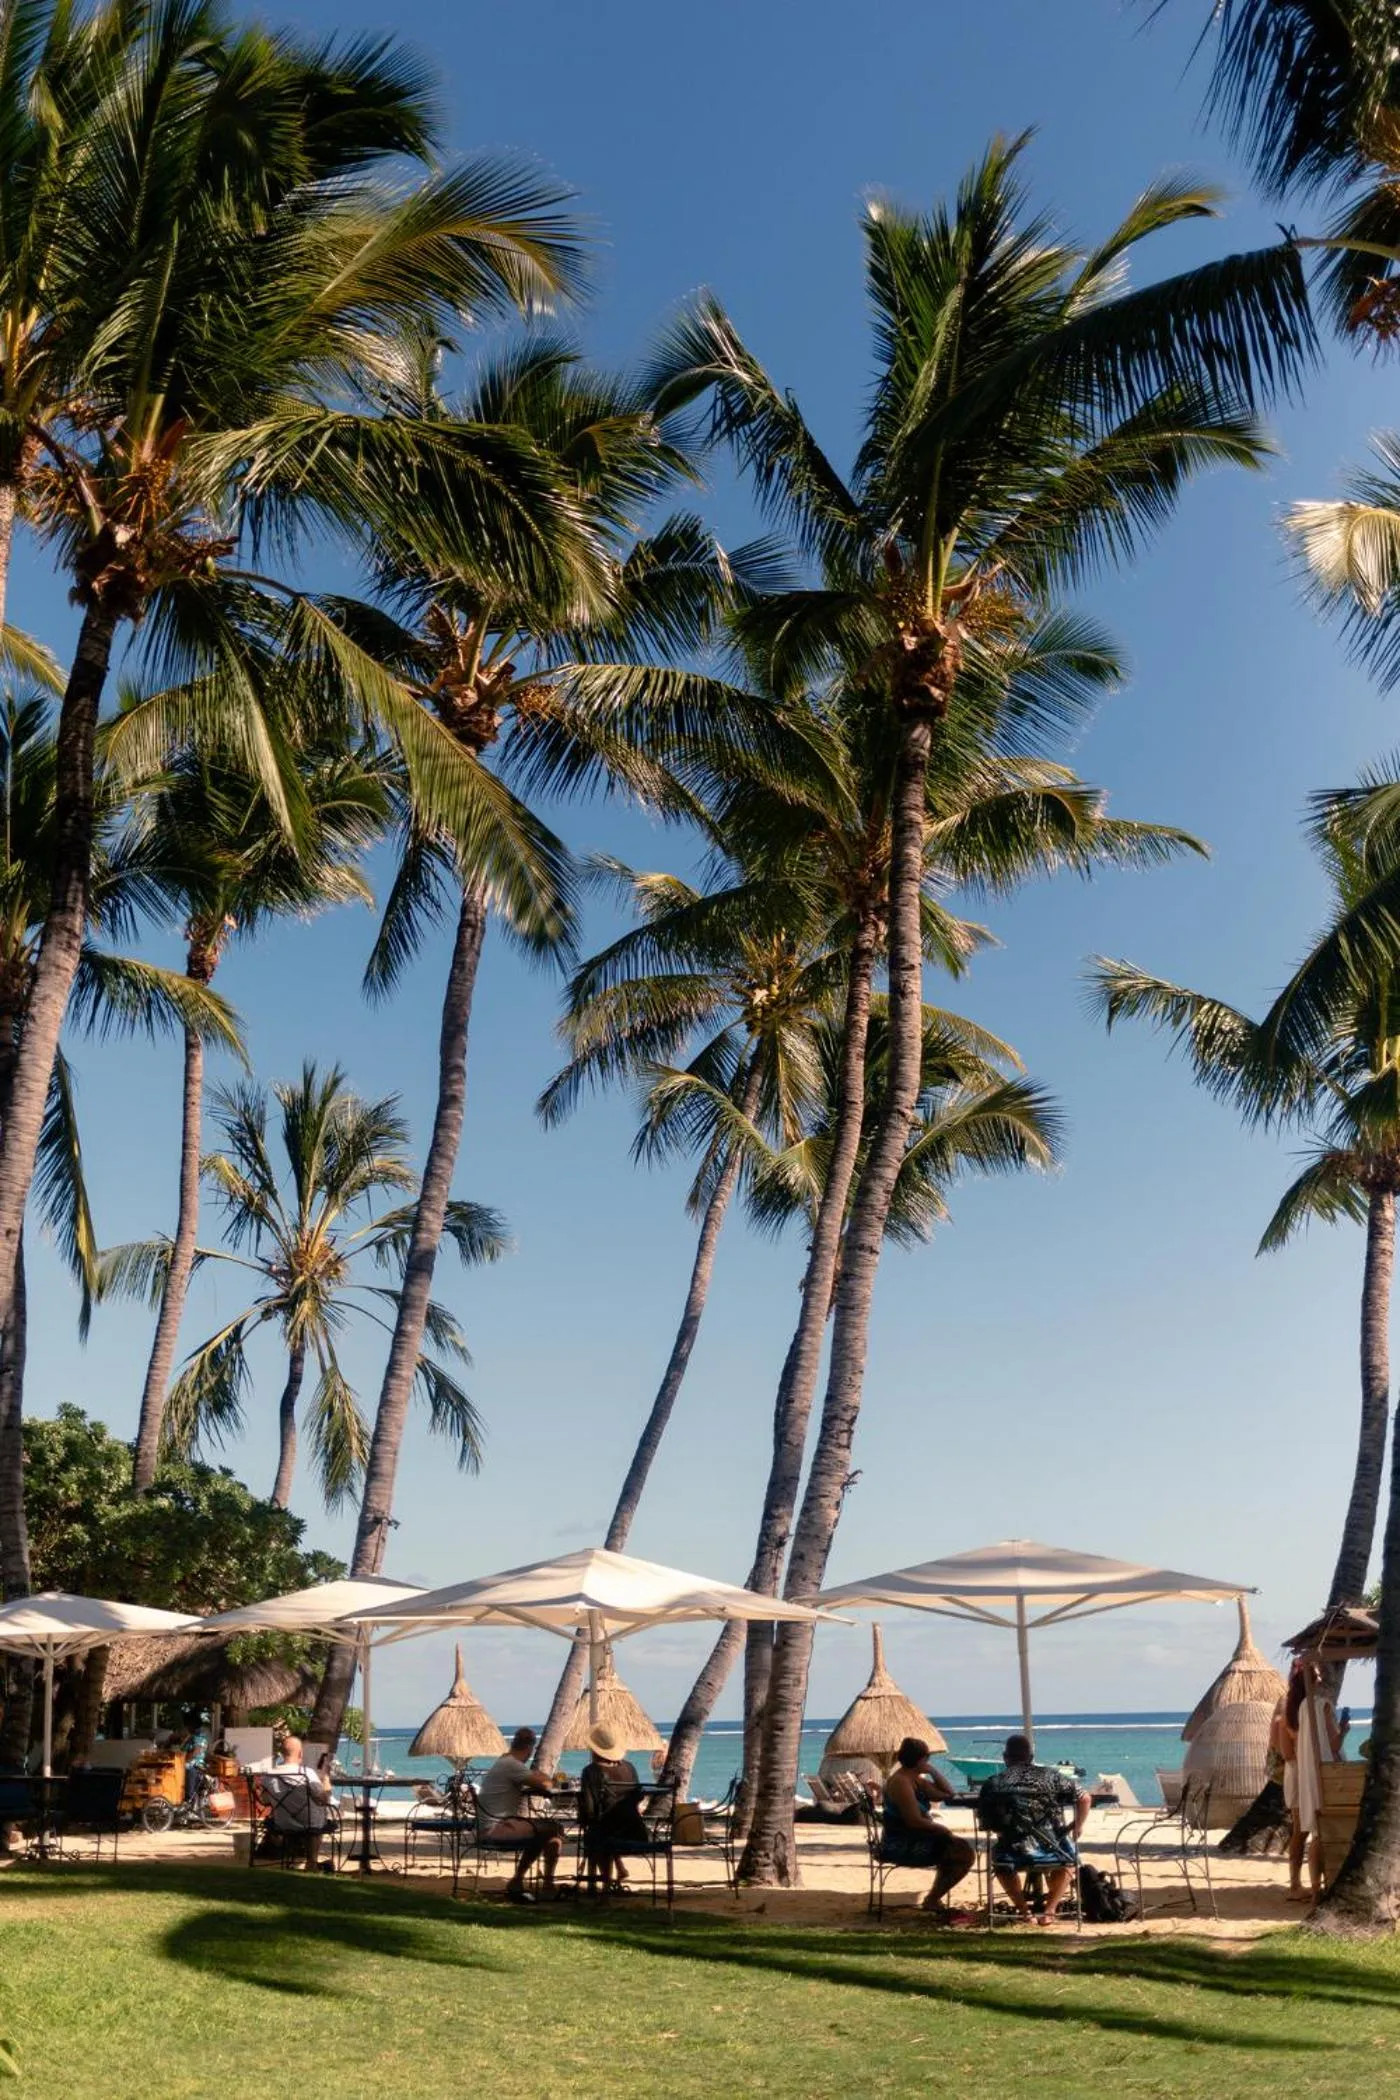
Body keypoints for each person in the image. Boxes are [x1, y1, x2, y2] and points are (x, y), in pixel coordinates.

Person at [978, 1734, 1089, 1924]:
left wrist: (1005, 1831)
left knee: (1000, 1863)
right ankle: (1050, 1911)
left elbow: (987, 1823)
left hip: (1013, 1849)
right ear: (1030, 1757)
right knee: (1069, 1860)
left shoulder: (993, 1783)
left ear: (1005, 1757)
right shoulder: (1051, 1775)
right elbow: (1084, 1798)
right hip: (1052, 1847)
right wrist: (1076, 1826)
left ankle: (1024, 1912)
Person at [878, 1736, 975, 1918]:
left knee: (960, 1849)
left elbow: (948, 1794)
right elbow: (913, 1820)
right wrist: (941, 1830)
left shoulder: (915, 1779)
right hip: (901, 1843)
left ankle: (933, 1898)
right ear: (921, 1760)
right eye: (927, 1760)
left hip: (918, 1837)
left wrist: (932, 1771)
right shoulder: (901, 1782)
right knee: (961, 1853)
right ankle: (932, 1899)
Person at [475, 1727, 564, 1903]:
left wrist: (537, 1776)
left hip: (491, 1825)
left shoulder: (505, 1761)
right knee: (552, 1828)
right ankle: (543, 1885)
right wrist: (549, 1778)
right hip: (495, 1829)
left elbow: (536, 1779)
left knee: (549, 1834)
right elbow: (546, 1784)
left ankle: (522, 1881)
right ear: (530, 1748)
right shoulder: (512, 1766)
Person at [1288, 1659, 1345, 1904]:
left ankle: (1314, 1891)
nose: (1321, 1676)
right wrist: (1345, 1729)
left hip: (1309, 1774)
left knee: (1316, 1835)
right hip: (1328, 1774)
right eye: (1318, 1673)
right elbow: (1333, 1745)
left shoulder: (1301, 1708)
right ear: (1316, 1680)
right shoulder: (1323, 1705)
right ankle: (1329, 1884)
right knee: (1330, 1833)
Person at [579, 1723, 651, 1895]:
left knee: (595, 1836)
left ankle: (604, 1885)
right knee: (607, 1828)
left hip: (609, 1833)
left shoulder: (591, 1771)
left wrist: (583, 1819)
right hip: (636, 1831)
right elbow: (637, 1796)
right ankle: (617, 1870)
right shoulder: (629, 1767)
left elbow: (589, 1809)